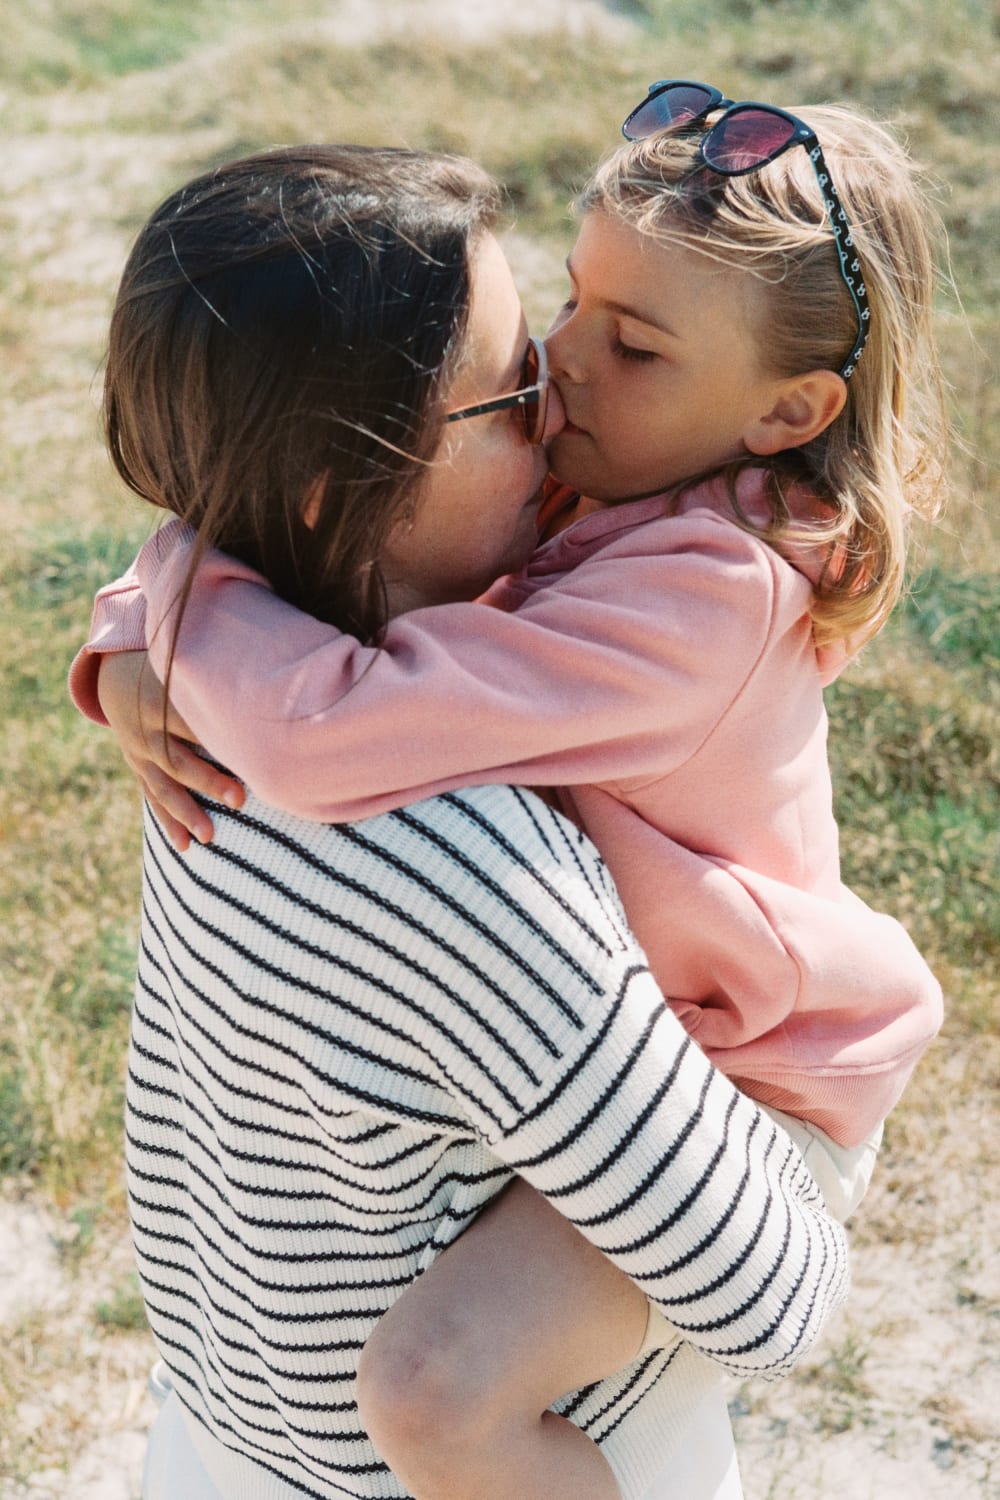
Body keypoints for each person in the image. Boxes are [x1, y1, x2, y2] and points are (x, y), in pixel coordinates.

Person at [70, 139, 855, 1500]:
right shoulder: (458, 862)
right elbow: (772, 1291)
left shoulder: (215, 683)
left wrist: (164, 593)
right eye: (510, 395)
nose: (558, 407)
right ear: (334, 486)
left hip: (215, 1433)